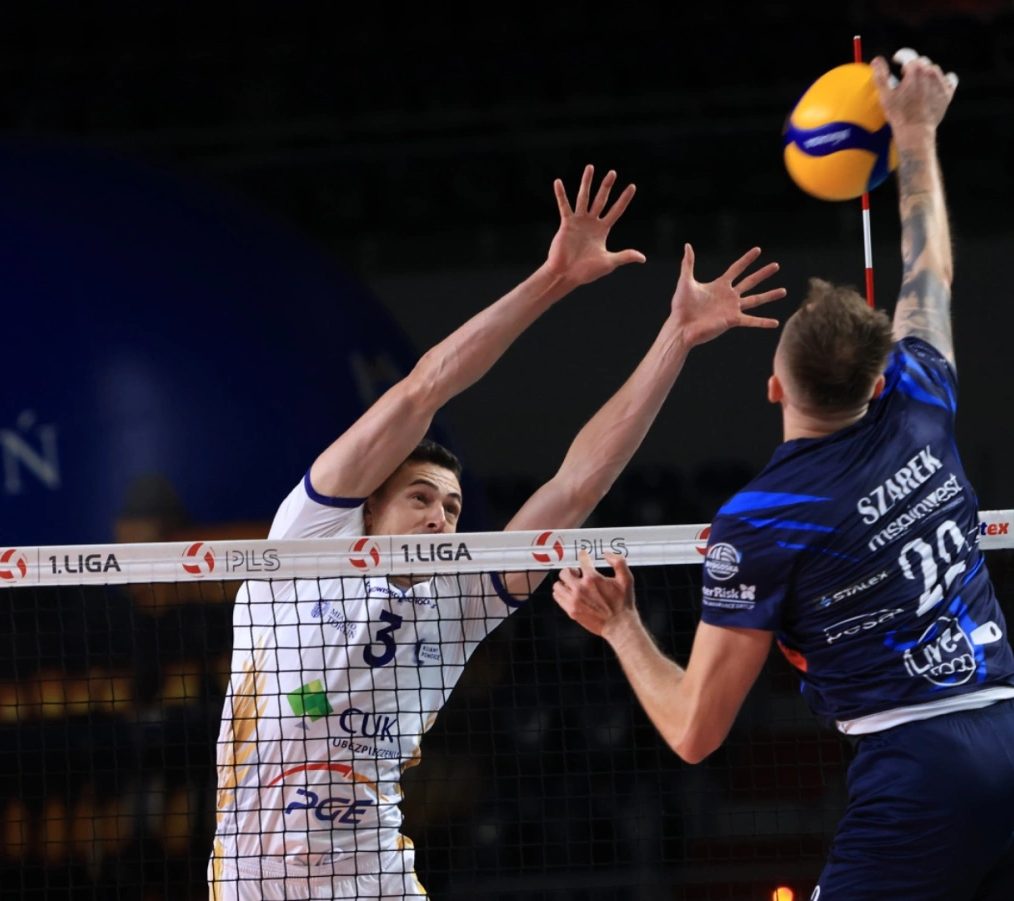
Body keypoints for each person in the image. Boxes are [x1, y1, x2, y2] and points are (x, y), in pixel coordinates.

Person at [552, 51, 1014, 899]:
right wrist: (916, 131)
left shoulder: (761, 517)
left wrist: (619, 626)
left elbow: (694, 731)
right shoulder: (921, 401)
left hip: (923, 776)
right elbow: (930, 271)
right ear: (877, 379)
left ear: (774, 388)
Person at [208, 165, 787, 900]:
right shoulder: (307, 541)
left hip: (377, 880)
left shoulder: (457, 604)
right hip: (254, 883)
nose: (439, 517)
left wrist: (676, 337)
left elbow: (576, 486)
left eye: (452, 508)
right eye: (420, 497)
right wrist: (553, 279)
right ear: (369, 510)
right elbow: (424, 387)